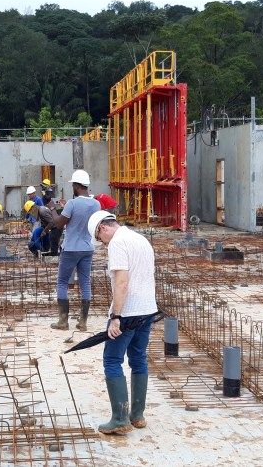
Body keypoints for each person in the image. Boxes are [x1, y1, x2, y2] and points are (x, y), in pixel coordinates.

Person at [87, 210, 157, 435]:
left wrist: (115, 316)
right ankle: (137, 416)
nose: (102, 243)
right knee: (138, 359)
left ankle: (119, 419)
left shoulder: (117, 243)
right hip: (148, 309)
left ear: (102, 228)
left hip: (128, 312)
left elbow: (122, 282)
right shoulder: (140, 239)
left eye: (99, 239)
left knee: (112, 360)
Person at [49, 169, 100, 331]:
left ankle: (63, 321)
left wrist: (52, 209)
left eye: (73, 185)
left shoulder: (72, 203)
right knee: (85, 282)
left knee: (62, 282)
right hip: (87, 248)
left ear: (77, 186)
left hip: (71, 248)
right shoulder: (96, 204)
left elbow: (58, 223)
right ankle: (83, 322)